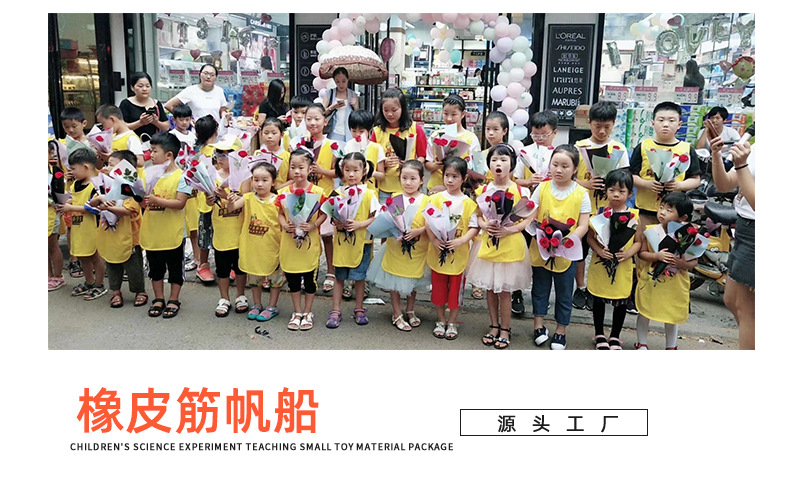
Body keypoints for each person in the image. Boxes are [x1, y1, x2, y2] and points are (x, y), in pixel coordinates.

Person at [468, 144, 537, 349]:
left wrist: (509, 230)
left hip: (510, 244)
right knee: (490, 288)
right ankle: (494, 325)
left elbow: (528, 219)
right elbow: (477, 217)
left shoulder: (521, 191)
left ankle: (506, 328)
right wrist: (485, 225)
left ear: (512, 164)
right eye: (494, 160)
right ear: (489, 164)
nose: (498, 163)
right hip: (489, 243)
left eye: (503, 159)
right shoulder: (483, 190)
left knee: (505, 290)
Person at [529, 144, 591, 350]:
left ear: (575, 169)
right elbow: (531, 214)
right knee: (540, 288)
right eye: (555, 164)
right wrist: (538, 233)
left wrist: (566, 242)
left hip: (566, 251)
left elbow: (583, 225)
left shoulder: (581, 193)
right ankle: (538, 325)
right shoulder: (542, 188)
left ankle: (561, 330)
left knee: (564, 292)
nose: (559, 170)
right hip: (541, 247)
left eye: (565, 166)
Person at [573, 101, 630, 312]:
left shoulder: (619, 148)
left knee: (603, 249)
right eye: (598, 126)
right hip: (582, 208)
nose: (602, 131)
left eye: (607, 126)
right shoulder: (579, 147)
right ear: (589, 123)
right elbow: (569, 177)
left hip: (608, 210)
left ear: (614, 124)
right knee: (580, 250)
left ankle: (598, 289)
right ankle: (581, 287)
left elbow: (626, 179)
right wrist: (586, 184)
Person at [417, 157, 479, 340]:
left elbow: (474, 227)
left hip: (458, 255)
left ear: (464, 178)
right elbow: (428, 222)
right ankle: (440, 319)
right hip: (437, 252)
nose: (450, 180)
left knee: (455, 291)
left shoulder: (469, 203)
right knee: (438, 289)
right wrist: (434, 240)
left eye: (455, 176)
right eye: (447, 176)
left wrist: (461, 241)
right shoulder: (435, 199)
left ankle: (452, 321)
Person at [366, 160, 429, 331]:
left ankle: (410, 309)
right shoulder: (395, 198)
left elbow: (431, 224)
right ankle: (397, 313)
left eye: (413, 179)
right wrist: (396, 233)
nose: (408, 183)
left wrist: (419, 231)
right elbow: (387, 221)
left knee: (413, 280)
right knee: (393, 280)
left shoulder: (427, 200)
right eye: (404, 178)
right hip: (395, 248)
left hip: (418, 249)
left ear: (421, 180)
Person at [634, 192, 698, 350]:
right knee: (645, 310)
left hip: (675, 282)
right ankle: (642, 342)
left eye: (669, 210)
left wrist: (681, 263)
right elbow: (642, 253)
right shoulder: (651, 230)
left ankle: (671, 346)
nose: (662, 212)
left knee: (672, 314)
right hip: (651, 279)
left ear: (683, 217)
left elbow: (694, 261)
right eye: (661, 207)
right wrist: (656, 256)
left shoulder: (688, 236)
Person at [586, 169, 641, 349]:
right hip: (601, 262)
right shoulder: (599, 213)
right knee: (598, 298)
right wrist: (599, 251)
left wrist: (628, 253)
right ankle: (599, 334)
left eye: (621, 191)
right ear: (606, 191)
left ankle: (615, 335)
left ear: (630, 193)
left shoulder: (635, 216)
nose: (616, 194)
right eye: (612, 190)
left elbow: (638, 242)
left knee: (621, 301)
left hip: (623, 264)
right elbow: (590, 238)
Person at [140, 132, 192, 318]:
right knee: (155, 268)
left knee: (175, 268)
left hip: (173, 232)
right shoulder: (146, 175)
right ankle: (159, 298)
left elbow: (180, 203)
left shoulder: (182, 177)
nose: (151, 155)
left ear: (169, 155)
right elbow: (143, 203)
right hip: (152, 231)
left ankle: (174, 299)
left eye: (155, 151)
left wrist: (156, 200)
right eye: (150, 150)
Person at [325, 153, 380, 328]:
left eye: (355, 170)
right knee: (339, 276)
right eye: (347, 170)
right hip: (342, 242)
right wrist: (337, 222)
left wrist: (359, 224)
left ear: (364, 171)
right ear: (342, 171)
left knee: (359, 277)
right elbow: (331, 215)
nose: (351, 174)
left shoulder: (369, 194)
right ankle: (335, 309)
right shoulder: (338, 192)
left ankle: (359, 308)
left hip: (362, 242)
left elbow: (376, 217)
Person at [710, 137, 755, 350]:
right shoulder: (755, 147)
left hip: (756, 233)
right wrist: (716, 154)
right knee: (731, 299)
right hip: (744, 228)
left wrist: (742, 165)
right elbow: (724, 184)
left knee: (748, 311)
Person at [277, 148, 328, 331]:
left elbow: (324, 213)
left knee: (309, 280)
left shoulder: (318, 192)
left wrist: (314, 225)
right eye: (293, 167)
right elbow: (280, 213)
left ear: (309, 169)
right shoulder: (284, 192)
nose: (297, 171)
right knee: (292, 279)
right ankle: (297, 312)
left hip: (309, 245)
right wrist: (284, 224)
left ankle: (308, 312)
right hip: (289, 243)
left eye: (301, 167)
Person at [90, 150, 148, 308]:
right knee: (111, 263)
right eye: (108, 164)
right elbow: (92, 203)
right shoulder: (105, 185)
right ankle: (115, 291)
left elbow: (128, 210)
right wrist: (100, 198)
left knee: (133, 266)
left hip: (130, 237)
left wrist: (108, 208)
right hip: (110, 235)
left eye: (112, 165)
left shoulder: (133, 187)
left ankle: (139, 291)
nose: (107, 168)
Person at [630, 101, 702, 227]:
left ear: (679, 125)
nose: (665, 124)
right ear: (653, 123)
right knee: (643, 238)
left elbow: (695, 180)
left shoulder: (687, 149)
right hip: (645, 209)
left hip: (674, 213)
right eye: (661, 120)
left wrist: (679, 185)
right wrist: (646, 184)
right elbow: (631, 175)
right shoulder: (643, 146)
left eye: (671, 120)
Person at [227, 161, 283, 322]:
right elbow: (232, 208)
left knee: (275, 279)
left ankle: (272, 306)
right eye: (256, 179)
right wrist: (230, 200)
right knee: (254, 278)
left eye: (264, 180)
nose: (259, 184)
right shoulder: (248, 198)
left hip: (272, 246)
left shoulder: (279, 201)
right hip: (252, 247)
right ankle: (257, 304)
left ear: (273, 182)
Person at [55, 147, 107, 300]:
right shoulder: (76, 184)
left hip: (93, 228)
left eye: (74, 169)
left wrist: (71, 208)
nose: (72, 172)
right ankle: (89, 281)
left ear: (85, 167)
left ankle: (99, 284)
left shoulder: (97, 185)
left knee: (95, 257)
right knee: (83, 256)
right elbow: (73, 198)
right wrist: (66, 203)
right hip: (78, 227)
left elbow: (95, 209)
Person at [298, 103, 338, 294]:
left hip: (326, 196)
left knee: (327, 236)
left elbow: (338, 172)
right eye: (309, 119)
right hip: (305, 197)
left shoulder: (332, 146)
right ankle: (308, 271)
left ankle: (331, 271)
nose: (313, 123)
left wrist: (323, 171)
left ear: (325, 121)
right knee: (306, 234)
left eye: (317, 119)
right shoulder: (300, 144)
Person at [205, 143, 247, 317]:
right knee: (222, 268)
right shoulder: (212, 175)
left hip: (239, 230)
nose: (221, 159)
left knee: (240, 267)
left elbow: (246, 200)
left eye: (226, 155)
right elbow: (208, 202)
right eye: (219, 154)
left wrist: (225, 196)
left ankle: (240, 295)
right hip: (221, 231)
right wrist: (209, 199)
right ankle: (224, 298)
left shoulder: (244, 177)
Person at [370, 87, 427, 204]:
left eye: (394, 110)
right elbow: (371, 159)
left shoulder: (415, 129)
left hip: (409, 187)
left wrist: (411, 164)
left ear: (403, 108)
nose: (390, 114)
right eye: (385, 110)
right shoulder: (377, 131)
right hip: (385, 187)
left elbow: (422, 156)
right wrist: (383, 164)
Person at [425, 93, 482, 194]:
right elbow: (427, 163)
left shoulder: (471, 138)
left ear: (463, 114)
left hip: (460, 191)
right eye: (445, 114)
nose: (449, 118)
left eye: (454, 114)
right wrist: (436, 165)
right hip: (435, 189)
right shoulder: (436, 135)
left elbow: (477, 168)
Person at [59, 107, 93, 279]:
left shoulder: (92, 143)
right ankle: (74, 258)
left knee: (89, 222)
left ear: (84, 123)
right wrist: (65, 174)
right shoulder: (62, 144)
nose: (70, 130)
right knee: (72, 224)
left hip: (89, 188)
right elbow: (58, 169)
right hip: (71, 188)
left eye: (74, 126)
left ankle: (93, 259)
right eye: (66, 127)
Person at [191, 115, 222, 282]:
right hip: (220, 200)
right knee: (219, 232)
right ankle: (223, 265)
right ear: (216, 131)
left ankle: (203, 265)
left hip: (205, 201)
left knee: (205, 233)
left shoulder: (196, 155)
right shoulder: (220, 152)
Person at [164, 64, 231, 127]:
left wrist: (225, 116)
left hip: (216, 131)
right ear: (199, 74)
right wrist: (186, 120)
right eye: (205, 73)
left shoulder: (219, 91)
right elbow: (168, 105)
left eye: (212, 75)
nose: (208, 77)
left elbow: (222, 109)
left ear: (216, 77)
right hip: (196, 131)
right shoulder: (190, 90)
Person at [118, 72, 169, 141]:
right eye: (140, 86)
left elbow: (166, 127)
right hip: (131, 142)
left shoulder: (156, 104)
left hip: (153, 143)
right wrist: (140, 123)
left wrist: (156, 122)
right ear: (132, 88)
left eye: (147, 86)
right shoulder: (126, 103)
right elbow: (120, 127)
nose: (144, 89)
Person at [345, 109, 385, 193]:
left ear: (369, 130)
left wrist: (372, 173)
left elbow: (382, 176)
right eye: (354, 131)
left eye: (361, 131)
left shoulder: (377, 148)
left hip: (370, 191)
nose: (357, 134)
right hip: (351, 191)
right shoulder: (348, 145)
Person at [95, 104, 145, 169]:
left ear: (112, 119)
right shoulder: (111, 137)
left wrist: (114, 158)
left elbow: (140, 162)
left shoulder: (131, 138)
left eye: (103, 124)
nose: (103, 128)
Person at [250, 117, 291, 189]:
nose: (269, 136)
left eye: (274, 133)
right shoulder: (257, 154)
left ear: (281, 135)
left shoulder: (288, 156)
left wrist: (278, 188)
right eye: (266, 133)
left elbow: (292, 179)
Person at [322, 67, 359, 143]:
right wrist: (333, 107)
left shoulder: (353, 94)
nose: (341, 84)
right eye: (337, 82)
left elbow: (358, 115)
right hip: (333, 132)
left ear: (348, 79)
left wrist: (355, 106)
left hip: (349, 132)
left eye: (343, 81)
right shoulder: (330, 93)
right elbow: (322, 112)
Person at [48, 141, 66, 291]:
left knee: (52, 244)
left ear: (51, 154)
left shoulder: (56, 172)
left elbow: (59, 193)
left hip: (51, 212)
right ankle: (48, 276)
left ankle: (58, 276)